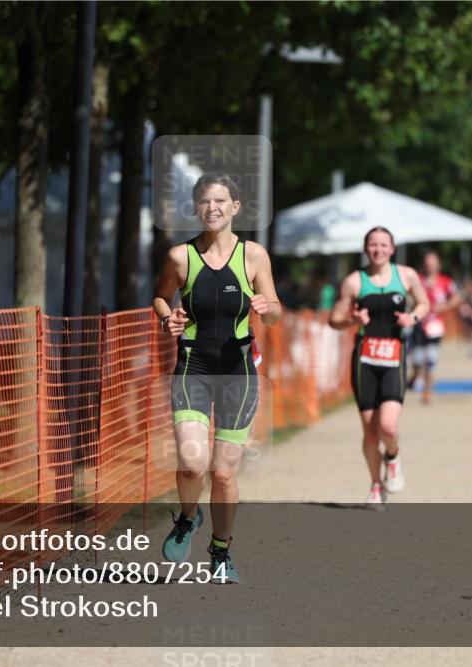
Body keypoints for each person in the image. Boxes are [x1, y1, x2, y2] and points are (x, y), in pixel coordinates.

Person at [153, 173, 281, 583]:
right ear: (196, 208)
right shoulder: (179, 257)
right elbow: (160, 296)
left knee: (223, 473)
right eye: (205, 202)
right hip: (193, 367)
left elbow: (276, 310)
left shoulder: (254, 256)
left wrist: (267, 307)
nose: (213, 208)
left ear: (235, 207)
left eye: (221, 201)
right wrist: (165, 316)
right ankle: (189, 518)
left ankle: (221, 551)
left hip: (238, 372)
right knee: (192, 464)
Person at [329, 227, 429, 509]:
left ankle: (393, 457)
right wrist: (352, 319)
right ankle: (376, 484)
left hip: (394, 357)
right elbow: (333, 318)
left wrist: (413, 318)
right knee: (370, 432)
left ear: (392, 248)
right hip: (365, 360)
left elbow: (424, 303)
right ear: (365, 249)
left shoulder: (406, 275)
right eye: (373, 244)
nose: (378, 250)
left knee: (387, 424)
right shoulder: (354, 282)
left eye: (383, 244)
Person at [407, 251, 459, 404]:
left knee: (430, 359)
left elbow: (456, 298)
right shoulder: (417, 280)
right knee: (417, 360)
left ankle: (427, 392)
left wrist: (444, 306)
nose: (430, 267)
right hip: (418, 325)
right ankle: (414, 377)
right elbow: (408, 296)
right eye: (428, 264)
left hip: (435, 326)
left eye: (433, 264)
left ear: (438, 265)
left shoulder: (446, 282)